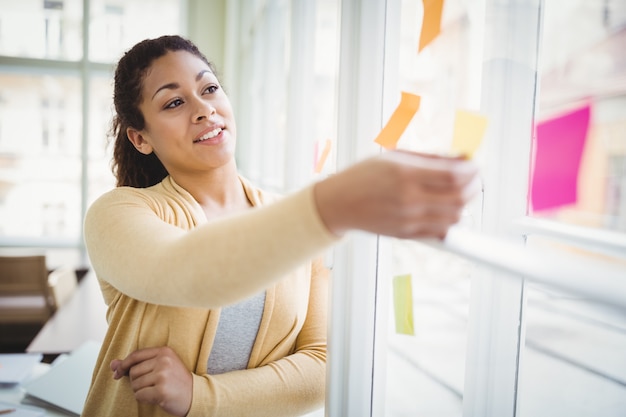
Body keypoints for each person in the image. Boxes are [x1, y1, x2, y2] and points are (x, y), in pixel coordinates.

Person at [82, 35, 480, 417]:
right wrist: (335, 203)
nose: (204, 110)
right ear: (140, 138)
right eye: (173, 103)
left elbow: (323, 368)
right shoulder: (117, 214)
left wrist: (198, 396)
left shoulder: (289, 224)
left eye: (209, 89)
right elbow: (192, 270)